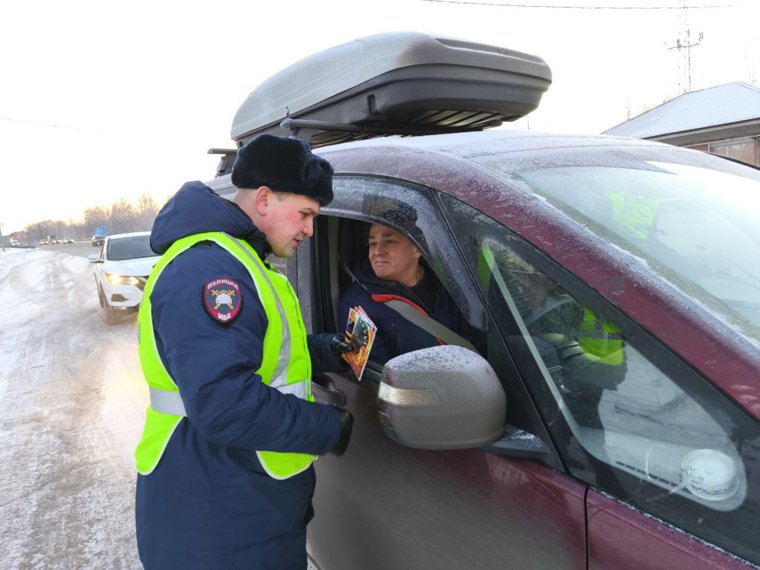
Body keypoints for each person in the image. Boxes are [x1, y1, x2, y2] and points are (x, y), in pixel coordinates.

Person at [134, 134, 354, 570]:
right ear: (266, 199)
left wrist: (322, 353)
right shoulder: (210, 270)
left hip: (240, 501)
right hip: (215, 516)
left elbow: (254, 356)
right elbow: (224, 403)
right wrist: (328, 427)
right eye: (306, 214)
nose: (311, 230)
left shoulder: (242, 261)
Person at [337, 222, 483, 365]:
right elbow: (373, 376)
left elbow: (474, 343)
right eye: (372, 244)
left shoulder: (449, 288)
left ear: (417, 249)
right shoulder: (356, 305)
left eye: (389, 241)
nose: (377, 251)